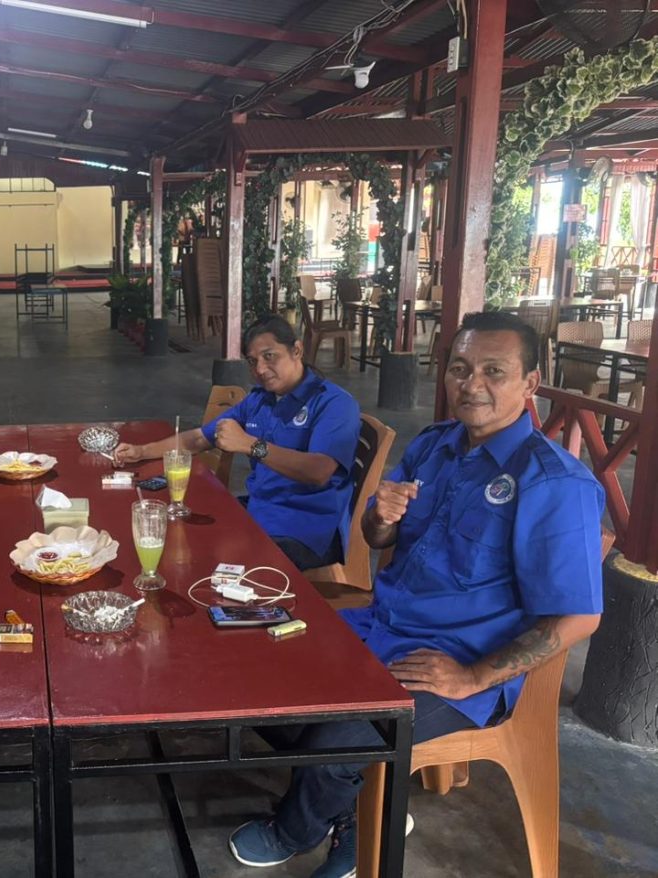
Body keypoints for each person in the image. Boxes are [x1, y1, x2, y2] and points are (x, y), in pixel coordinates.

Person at [227, 312, 605, 877]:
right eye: (460, 368)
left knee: (339, 736)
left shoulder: (553, 483)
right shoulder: (435, 446)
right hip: (382, 624)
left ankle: (299, 829)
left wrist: (473, 677)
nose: (472, 384)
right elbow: (381, 538)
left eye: (494, 371)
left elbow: (578, 617)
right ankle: (363, 806)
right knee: (253, 673)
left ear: (530, 382)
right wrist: (381, 517)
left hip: (456, 662)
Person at [114, 315, 361, 569]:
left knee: (215, 562)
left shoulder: (334, 404)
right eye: (253, 362)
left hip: (306, 529)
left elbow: (319, 470)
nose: (260, 370)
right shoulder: (260, 400)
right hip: (261, 509)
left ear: (296, 350)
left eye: (269, 356)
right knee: (180, 533)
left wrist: (251, 445)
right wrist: (141, 451)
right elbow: (199, 438)